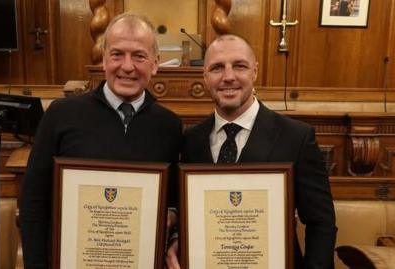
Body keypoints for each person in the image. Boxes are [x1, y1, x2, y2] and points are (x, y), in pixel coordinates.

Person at [19, 12, 182, 269]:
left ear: (155, 63)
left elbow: (173, 200)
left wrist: (171, 217)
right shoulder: (61, 114)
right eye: (117, 54)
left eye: (139, 56)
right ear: (104, 60)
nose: (127, 66)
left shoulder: (169, 125)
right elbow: (33, 202)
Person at [165, 35, 337, 268]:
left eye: (239, 66)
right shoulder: (191, 140)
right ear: (205, 77)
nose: (228, 77)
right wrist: (176, 240)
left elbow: (321, 222)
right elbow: (185, 209)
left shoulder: (296, 137)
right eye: (217, 68)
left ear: (254, 71)